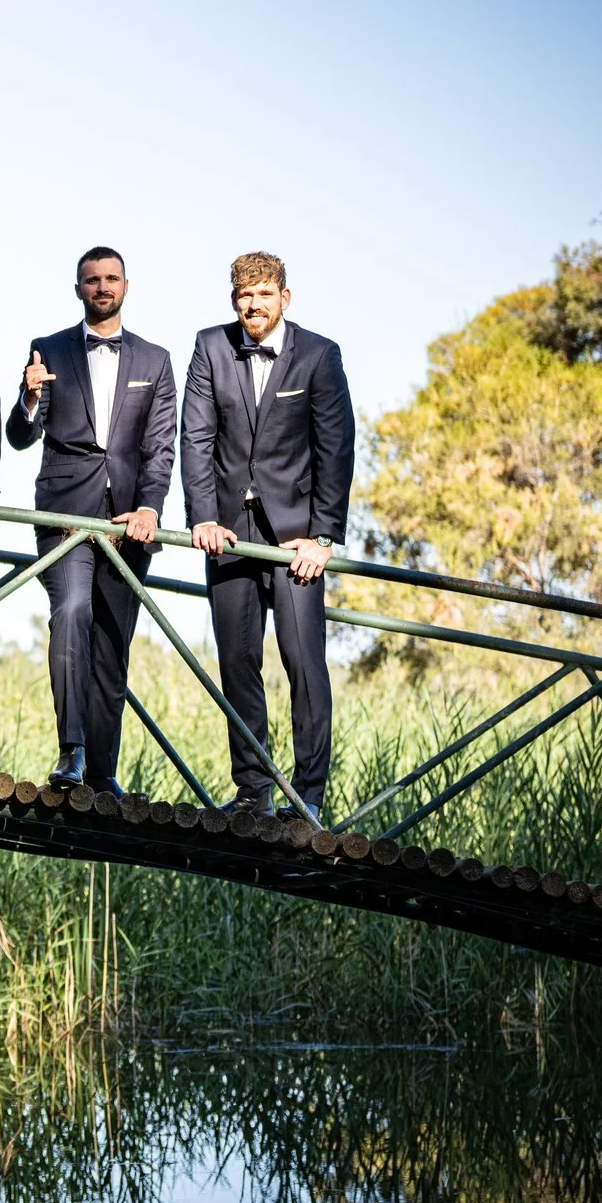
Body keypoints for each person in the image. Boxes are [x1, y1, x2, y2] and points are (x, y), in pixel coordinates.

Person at [180, 252, 355, 817]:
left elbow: (336, 447)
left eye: (262, 294)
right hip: (227, 528)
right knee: (237, 660)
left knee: (303, 662)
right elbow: (196, 438)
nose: (252, 306)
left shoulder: (321, 356)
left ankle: (308, 800)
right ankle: (252, 790)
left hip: (297, 534)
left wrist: (323, 538)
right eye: (242, 297)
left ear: (285, 296)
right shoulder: (210, 347)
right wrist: (203, 515)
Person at [4, 247, 177, 792]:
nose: (101, 287)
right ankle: (71, 753)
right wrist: (30, 399)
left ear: (126, 285)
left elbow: (160, 447)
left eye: (110, 279)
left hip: (130, 522)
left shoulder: (156, 360)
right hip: (63, 513)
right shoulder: (48, 348)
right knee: (73, 611)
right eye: (91, 280)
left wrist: (150, 506)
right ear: (78, 289)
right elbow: (20, 437)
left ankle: (103, 774)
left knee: (112, 639)